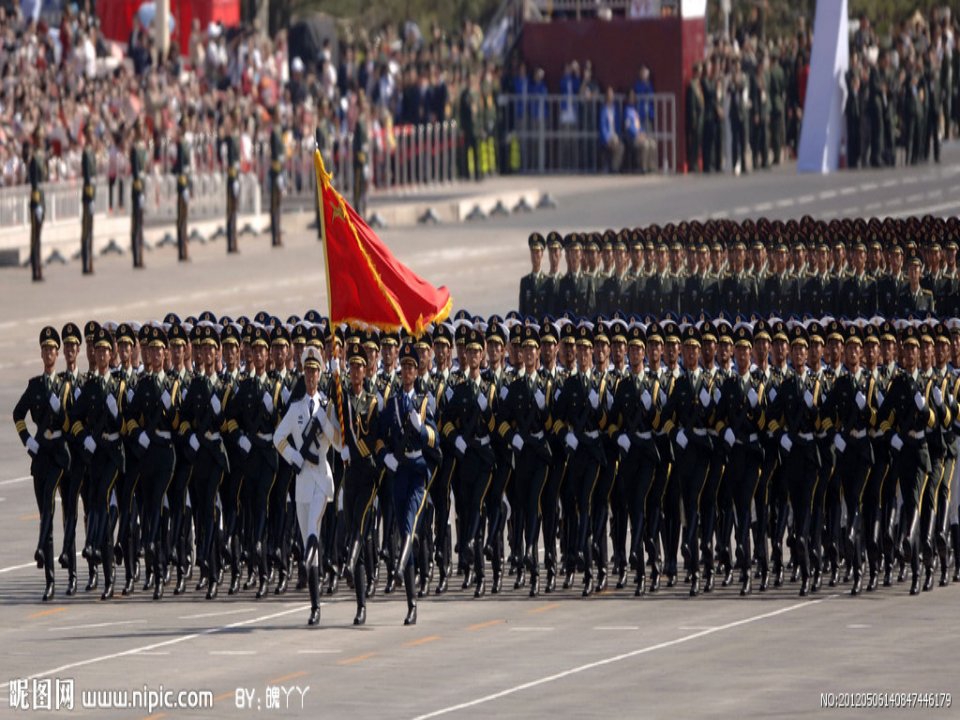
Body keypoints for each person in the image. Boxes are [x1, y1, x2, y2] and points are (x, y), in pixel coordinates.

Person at [273, 346, 338, 625]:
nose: (311, 376)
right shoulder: (297, 407)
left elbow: (338, 441)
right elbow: (278, 437)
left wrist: (326, 422)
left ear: (321, 373)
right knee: (307, 537)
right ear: (303, 373)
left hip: (321, 480)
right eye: (307, 371)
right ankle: (315, 605)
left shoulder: (328, 406)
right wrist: (294, 456)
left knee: (313, 530)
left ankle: (311, 553)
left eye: (315, 371)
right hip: (301, 482)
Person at [377, 342, 440, 625]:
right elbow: (380, 436)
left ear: (418, 371)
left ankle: (400, 568)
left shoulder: (425, 400)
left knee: (410, 525)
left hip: (418, 471)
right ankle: (412, 604)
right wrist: (385, 457)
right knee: (402, 529)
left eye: (412, 367)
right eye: (404, 367)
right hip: (399, 470)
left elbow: (435, 438)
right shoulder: (391, 402)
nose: (407, 372)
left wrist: (421, 427)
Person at [13, 327, 70, 600]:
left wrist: (63, 413)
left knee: (50, 502)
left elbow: (76, 420)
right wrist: (27, 440)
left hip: (59, 455)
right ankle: (50, 580)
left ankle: (48, 555)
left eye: (52, 349)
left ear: (58, 354)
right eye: (45, 349)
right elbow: (17, 414)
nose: (49, 353)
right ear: (41, 353)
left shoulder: (65, 384)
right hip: (41, 457)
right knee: (44, 511)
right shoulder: (35, 385)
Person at [335, 344, 381, 624]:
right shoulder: (341, 397)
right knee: (352, 533)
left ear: (366, 370)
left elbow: (375, 437)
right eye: (350, 367)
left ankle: (349, 566)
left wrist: (359, 450)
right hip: (349, 475)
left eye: (359, 367)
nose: (355, 372)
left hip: (368, 476)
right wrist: (333, 369)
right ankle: (361, 606)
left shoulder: (372, 402)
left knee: (361, 529)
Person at [28, 126, 47, 282]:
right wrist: (37, 203)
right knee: (35, 237)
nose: (42, 141)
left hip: (41, 197)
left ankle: (38, 266)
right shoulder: (34, 158)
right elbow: (34, 183)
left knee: (39, 237)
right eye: (39, 138)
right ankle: (35, 268)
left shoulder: (41, 157)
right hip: (36, 200)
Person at [174, 115, 192, 262]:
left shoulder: (187, 143)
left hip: (186, 180)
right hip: (182, 184)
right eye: (185, 125)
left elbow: (188, 167)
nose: (187, 127)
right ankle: (181, 249)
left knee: (185, 218)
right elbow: (179, 168)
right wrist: (184, 185)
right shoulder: (180, 143)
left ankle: (185, 248)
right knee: (181, 218)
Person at [129, 121, 147, 269]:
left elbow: (143, 170)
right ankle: (136, 256)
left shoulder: (142, 148)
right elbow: (136, 172)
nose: (142, 131)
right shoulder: (134, 149)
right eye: (140, 128)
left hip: (142, 186)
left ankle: (140, 255)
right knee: (136, 224)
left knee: (141, 224)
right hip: (137, 189)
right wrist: (140, 190)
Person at [80, 125, 96, 274]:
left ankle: (90, 260)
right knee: (86, 230)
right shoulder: (86, 153)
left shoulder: (92, 153)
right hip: (88, 194)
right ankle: (85, 262)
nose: (93, 136)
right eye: (90, 133)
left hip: (92, 193)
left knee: (91, 230)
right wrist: (90, 196)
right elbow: (86, 177)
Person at [269, 107, 285, 247]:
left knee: (278, 204)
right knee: (275, 205)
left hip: (280, 170)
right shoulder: (274, 133)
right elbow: (274, 155)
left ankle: (278, 233)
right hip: (276, 172)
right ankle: (275, 235)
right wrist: (279, 173)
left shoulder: (279, 131)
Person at [599, 87, 623, 174]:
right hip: (606, 138)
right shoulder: (603, 110)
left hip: (615, 136)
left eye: (612, 95)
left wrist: (617, 136)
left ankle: (615, 168)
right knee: (608, 146)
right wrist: (608, 139)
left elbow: (618, 126)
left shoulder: (615, 109)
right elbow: (602, 126)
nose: (610, 96)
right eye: (609, 95)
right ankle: (607, 168)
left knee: (620, 146)